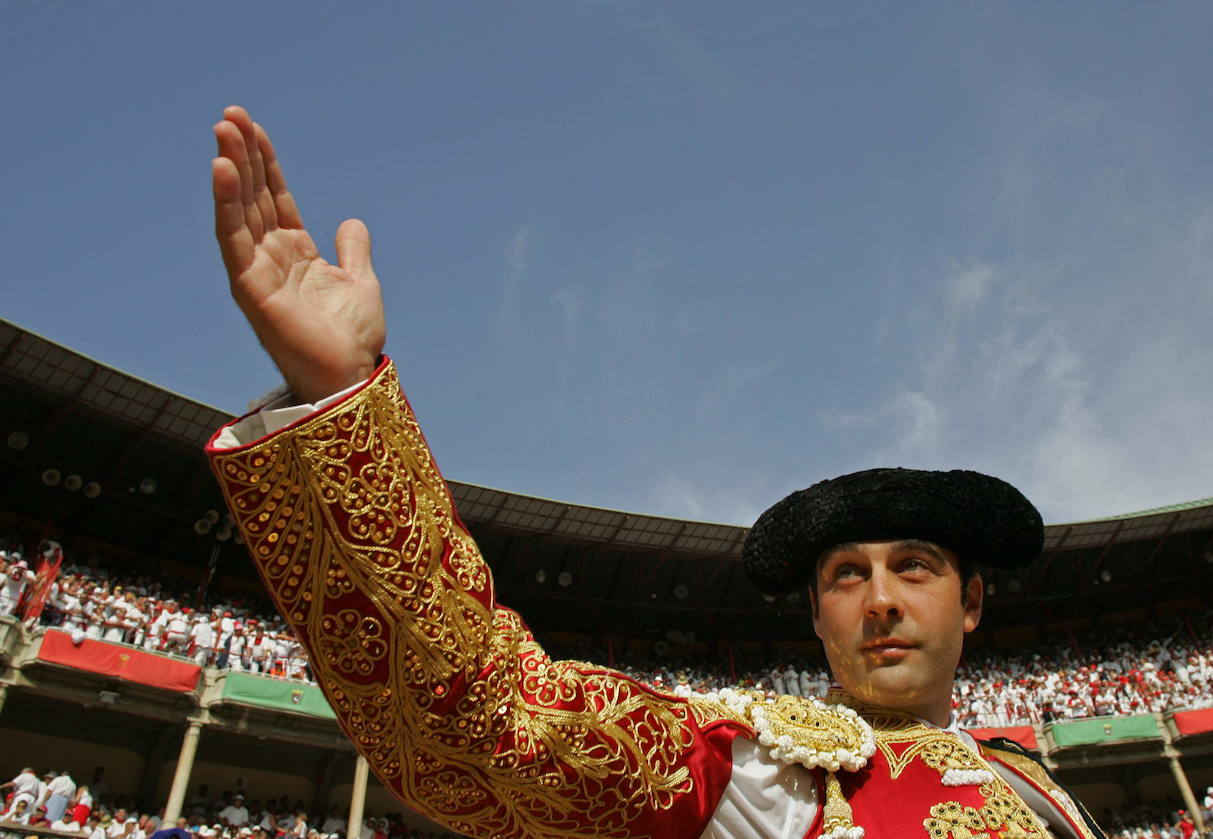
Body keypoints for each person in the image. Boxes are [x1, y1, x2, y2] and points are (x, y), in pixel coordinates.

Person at [206, 104, 1101, 839]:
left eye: (913, 566)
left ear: (972, 600)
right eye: (844, 575)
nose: (879, 599)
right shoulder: (758, 768)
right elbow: (489, 721)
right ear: (817, 614)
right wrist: (338, 394)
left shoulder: (1038, 791)